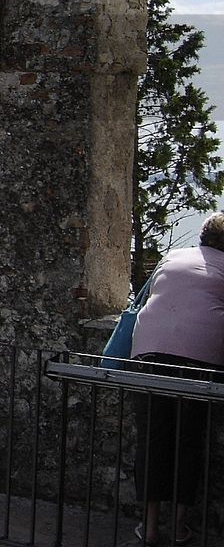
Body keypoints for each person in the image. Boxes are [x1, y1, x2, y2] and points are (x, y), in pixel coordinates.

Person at [129, 212, 224, 545]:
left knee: (153, 439)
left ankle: (151, 526)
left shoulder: (173, 256)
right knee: (188, 440)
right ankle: (179, 526)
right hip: (199, 358)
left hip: (150, 350)